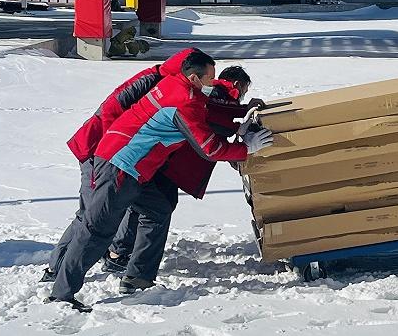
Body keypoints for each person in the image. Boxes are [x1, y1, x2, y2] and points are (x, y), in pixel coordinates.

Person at [46, 51, 273, 312]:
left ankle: (138, 278)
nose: (215, 82)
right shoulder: (182, 100)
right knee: (97, 230)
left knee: (158, 209)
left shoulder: (178, 86)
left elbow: (208, 115)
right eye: (210, 78)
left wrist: (238, 125)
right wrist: (247, 149)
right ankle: (61, 293)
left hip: (137, 169)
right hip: (120, 164)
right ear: (193, 77)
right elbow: (208, 147)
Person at [42, 48, 198, 283]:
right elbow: (110, 112)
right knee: (91, 214)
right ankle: (57, 268)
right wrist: (111, 152)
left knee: (137, 204)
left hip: (120, 156)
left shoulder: (168, 84)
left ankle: (117, 254)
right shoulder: (150, 82)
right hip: (96, 151)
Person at [101, 66, 254, 290]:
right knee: (154, 209)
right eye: (244, 90)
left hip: (164, 160)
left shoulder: (213, 94)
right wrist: (242, 136)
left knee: (144, 205)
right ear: (239, 85)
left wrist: (239, 121)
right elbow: (216, 123)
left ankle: (120, 253)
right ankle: (131, 267)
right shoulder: (223, 94)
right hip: (174, 163)